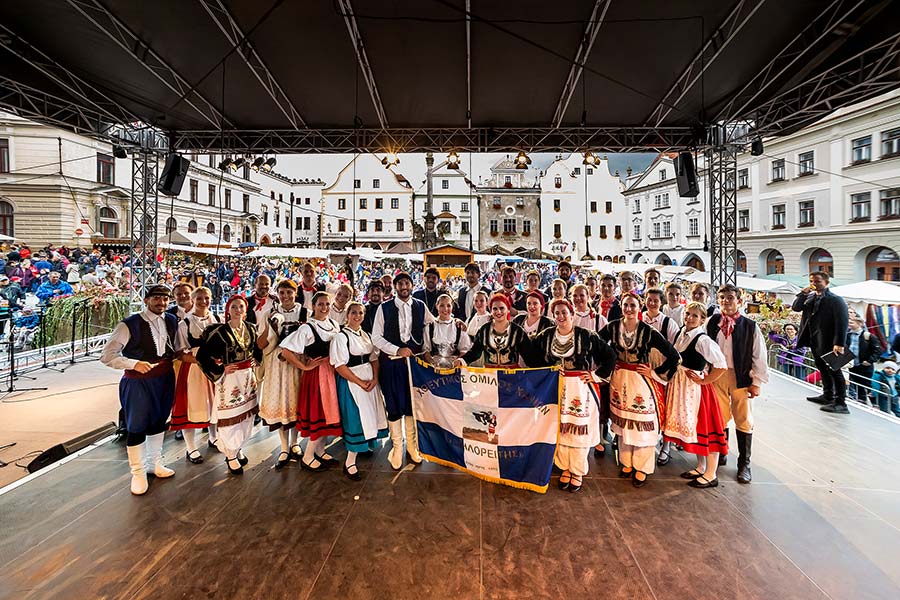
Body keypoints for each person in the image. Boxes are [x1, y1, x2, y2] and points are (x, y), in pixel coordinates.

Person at [524, 298, 616, 493]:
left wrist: (596, 375)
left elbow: (609, 356)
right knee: (561, 429)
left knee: (579, 430)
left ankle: (578, 470)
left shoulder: (586, 335)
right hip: (555, 387)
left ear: (572, 314)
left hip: (581, 390)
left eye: (564, 312)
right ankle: (565, 466)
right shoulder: (546, 336)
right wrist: (545, 372)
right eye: (556, 313)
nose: (560, 316)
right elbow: (531, 355)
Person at [100, 284, 179, 495]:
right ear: (146, 300)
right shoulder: (130, 324)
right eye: (156, 298)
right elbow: (107, 356)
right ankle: (138, 472)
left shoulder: (171, 320)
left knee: (159, 421)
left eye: (165, 299)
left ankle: (154, 464)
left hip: (164, 378)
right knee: (136, 426)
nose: (161, 302)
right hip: (138, 383)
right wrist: (133, 364)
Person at [598, 292, 680, 487]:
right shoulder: (612, 326)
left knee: (642, 424)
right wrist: (609, 363)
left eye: (633, 306)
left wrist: (655, 372)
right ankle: (627, 462)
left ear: (639, 307)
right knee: (624, 425)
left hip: (641, 383)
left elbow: (673, 355)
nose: (628, 309)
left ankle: (642, 466)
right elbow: (596, 345)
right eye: (626, 305)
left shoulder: (648, 331)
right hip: (619, 382)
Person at [372, 272, 436, 470]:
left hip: (413, 365)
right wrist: (397, 349)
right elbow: (376, 337)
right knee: (393, 404)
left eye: (407, 283)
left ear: (412, 284)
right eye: (400, 284)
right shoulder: (385, 307)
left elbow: (434, 323)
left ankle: (412, 446)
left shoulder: (420, 305)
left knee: (411, 405)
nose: (404, 286)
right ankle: (397, 448)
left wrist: (455, 321)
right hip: (391, 364)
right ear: (395, 287)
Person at [662, 302, 729, 488]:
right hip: (681, 386)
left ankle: (711, 473)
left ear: (702, 319)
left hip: (696, 390)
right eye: (688, 314)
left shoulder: (702, 340)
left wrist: (703, 381)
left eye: (695, 316)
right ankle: (701, 466)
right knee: (696, 429)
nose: (690, 318)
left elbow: (721, 365)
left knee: (706, 429)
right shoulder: (682, 333)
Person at [196, 295, 263, 475]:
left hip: (248, 378)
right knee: (230, 417)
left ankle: (237, 447)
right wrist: (221, 369)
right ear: (228, 310)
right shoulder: (220, 332)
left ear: (245, 309)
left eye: (241, 306)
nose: (238, 310)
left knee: (246, 416)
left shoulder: (251, 328)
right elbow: (201, 356)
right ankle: (230, 454)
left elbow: (256, 349)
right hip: (230, 379)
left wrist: (256, 360)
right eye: (234, 307)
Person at [708, 284, 768, 483]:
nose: (726, 301)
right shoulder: (712, 322)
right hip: (717, 374)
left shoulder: (750, 326)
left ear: (739, 301)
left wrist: (756, 382)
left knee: (743, 418)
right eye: (722, 297)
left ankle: (744, 462)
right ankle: (722, 451)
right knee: (719, 415)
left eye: (730, 297)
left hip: (740, 376)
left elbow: (759, 355)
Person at [280, 291, 342, 471]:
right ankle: (307, 456)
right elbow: (286, 351)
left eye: (327, 304)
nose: (324, 307)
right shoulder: (307, 328)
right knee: (320, 413)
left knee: (329, 414)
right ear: (313, 306)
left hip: (332, 372)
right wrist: (305, 366)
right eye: (320, 304)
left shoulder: (334, 324)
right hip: (317, 376)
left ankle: (320, 451)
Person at [332, 302, 389, 480]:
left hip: (368, 380)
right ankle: (349, 462)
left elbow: (374, 359)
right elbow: (340, 366)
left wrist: (375, 379)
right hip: (352, 381)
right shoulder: (341, 337)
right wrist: (359, 382)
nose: (357, 316)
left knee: (369, 415)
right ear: (347, 315)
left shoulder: (366, 335)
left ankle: (366, 446)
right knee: (355, 419)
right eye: (354, 312)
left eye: (360, 313)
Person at [257, 279, 307, 468]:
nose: (286, 296)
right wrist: (271, 326)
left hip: (296, 363)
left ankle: (295, 443)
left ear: (295, 293)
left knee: (295, 401)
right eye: (282, 292)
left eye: (289, 292)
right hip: (276, 365)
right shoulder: (269, 313)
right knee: (281, 403)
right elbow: (261, 344)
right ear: (277, 293)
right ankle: (284, 447)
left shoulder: (304, 313)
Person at [169, 287, 220, 464]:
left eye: (206, 298)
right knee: (191, 407)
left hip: (213, 369)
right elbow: (178, 353)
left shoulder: (216, 319)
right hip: (193, 369)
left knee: (213, 404)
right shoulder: (185, 324)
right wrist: (198, 360)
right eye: (199, 298)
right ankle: (191, 447)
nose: (203, 301)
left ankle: (213, 437)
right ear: (193, 299)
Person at [792, 271, 850, 414]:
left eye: (817, 281)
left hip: (830, 341)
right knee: (822, 368)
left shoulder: (835, 300)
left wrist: (839, 343)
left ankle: (841, 402)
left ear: (826, 282)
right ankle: (828, 395)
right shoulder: (811, 296)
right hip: (815, 340)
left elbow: (842, 322)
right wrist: (802, 293)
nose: (814, 284)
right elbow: (796, 307)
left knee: (835, 371)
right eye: (811, 281)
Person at [458, 294, 530, 368]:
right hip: (489, 376)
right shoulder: (484, 330)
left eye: (502, 308)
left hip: (511, 376)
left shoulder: (518, 331)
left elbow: (529, 356)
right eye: (495, 309)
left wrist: (541, 372)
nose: (498, 312)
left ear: (508, 310)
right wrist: (461, 361)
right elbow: (475, 352)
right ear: (491, 311)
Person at [423, 294, 472, 369]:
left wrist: (458, 362)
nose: (445, 309)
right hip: (435, 369)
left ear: (452, 307)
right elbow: (426, 351)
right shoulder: (429, 327)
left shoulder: (458, 326)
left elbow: (464, 350)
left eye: (448, 306)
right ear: (437, 306)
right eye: (442, 305)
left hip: (455, 369)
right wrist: (433, 364)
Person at [846, 316, 884, 405]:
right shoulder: (847, 335)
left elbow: (878, 350)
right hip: (850, 364)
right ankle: (855, 400)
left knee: (865, 385)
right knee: (851, 383)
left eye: (852, 322)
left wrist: (870, 361)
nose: (850, 324)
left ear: (859, 324)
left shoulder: (868, 336)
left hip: (864, 366)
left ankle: (871, 403)